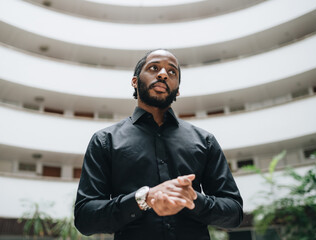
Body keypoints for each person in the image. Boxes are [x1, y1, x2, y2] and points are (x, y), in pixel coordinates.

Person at [74, 49, 243, 240]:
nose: (163, 74)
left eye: (172, 72)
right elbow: (85, 218)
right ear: (135, 81)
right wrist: (142, 199)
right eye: (154, 68)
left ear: (177, 89)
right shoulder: (105, 141)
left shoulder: (205, 141)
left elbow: (234, 213)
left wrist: (194, 199)